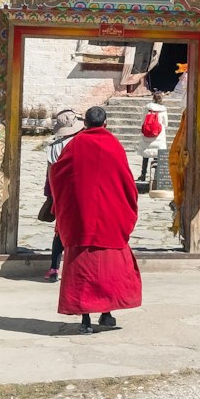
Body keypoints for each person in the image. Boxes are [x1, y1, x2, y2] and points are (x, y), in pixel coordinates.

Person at [49, 104, 141, 334]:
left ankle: (86, 321)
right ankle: (106, 314)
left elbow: (58, 175)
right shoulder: (114, 145)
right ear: (106, 123)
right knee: (107, 270)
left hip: (82, 219)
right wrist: (125, 210)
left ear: (86, 124)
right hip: (110, 219)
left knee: (84, 271)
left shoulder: (75, 145)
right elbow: (128, 183)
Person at [42, 109, 82, 281]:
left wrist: (50, 194)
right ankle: (77, 268)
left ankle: (54, 268)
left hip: (60, 193)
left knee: (60, 230)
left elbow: (50, 173)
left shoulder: (53, 147)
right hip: (80, 192)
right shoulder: (81, 143)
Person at [136, 95, 167, 187]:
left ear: (153, 98)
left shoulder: (147, 108)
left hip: (147, 135)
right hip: (158, 135)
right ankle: (156, 177)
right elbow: (166, 123)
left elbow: (142, 121)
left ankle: (143, 174)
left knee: (145, 155)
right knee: (157, 157)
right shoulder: (163, 110)